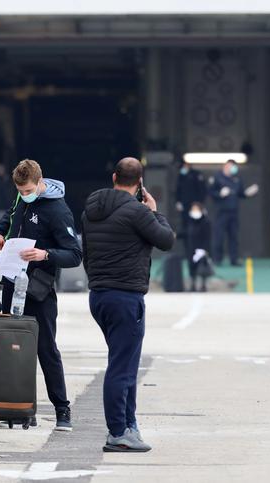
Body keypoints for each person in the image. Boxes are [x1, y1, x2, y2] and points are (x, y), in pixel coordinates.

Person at [81, 157, 175, 452]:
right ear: (140, 183)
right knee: (122, 368)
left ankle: (129, 425)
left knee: (125, 364)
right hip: (125, 297)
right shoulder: (138, 212)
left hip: (99, 295)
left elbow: (86, 251)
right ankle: (118, 432)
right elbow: (166, 240)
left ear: (114, 177)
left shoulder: (90, 210)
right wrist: (156, 213)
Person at [0, 159, 82, 432]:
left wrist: (46, 254)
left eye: (28, 189)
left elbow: (75, 254)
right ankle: (20, 408)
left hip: (38, 289)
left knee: (45, 349)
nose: (24, 193)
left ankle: (62, 409)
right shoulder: (22, 198)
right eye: (20, 190)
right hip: (11, 282)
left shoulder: (58, 210)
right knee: (13, 348)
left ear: (40, 183)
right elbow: (10, 216)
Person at [208, 159, 259, 266]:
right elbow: (211, 193)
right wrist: (219, 194)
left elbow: (240, 193)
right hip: (221, 212)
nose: (233, 169)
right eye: (231, 166)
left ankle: (234, 259)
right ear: (226, 166)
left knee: (233, 237)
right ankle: (217, 259)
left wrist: (248, 193)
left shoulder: (236, 179)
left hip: (233, 212)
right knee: (218, 237)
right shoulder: (217, 177)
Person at [175, 161, 206, 251]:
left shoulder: (196, 175)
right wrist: (178, 201)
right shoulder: (181, 176)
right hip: (184, 207)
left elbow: (202, 190)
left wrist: (200, 204)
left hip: (196, 207)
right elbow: (178, 190)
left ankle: (198, 249)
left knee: (197, 228)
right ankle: (188, 250)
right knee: (186, 228)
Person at [187, 202, 213, 292]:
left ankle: (203, 285)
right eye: (193, 209)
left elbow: (208, 237)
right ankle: (193, 285)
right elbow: (186, 233)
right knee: (192, 267)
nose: (194, 211)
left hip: (202, 249)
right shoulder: (190, 221)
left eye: (196, 209)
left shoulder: (206, 221)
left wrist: (205, 249)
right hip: (192, 248)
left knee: (202, 267)